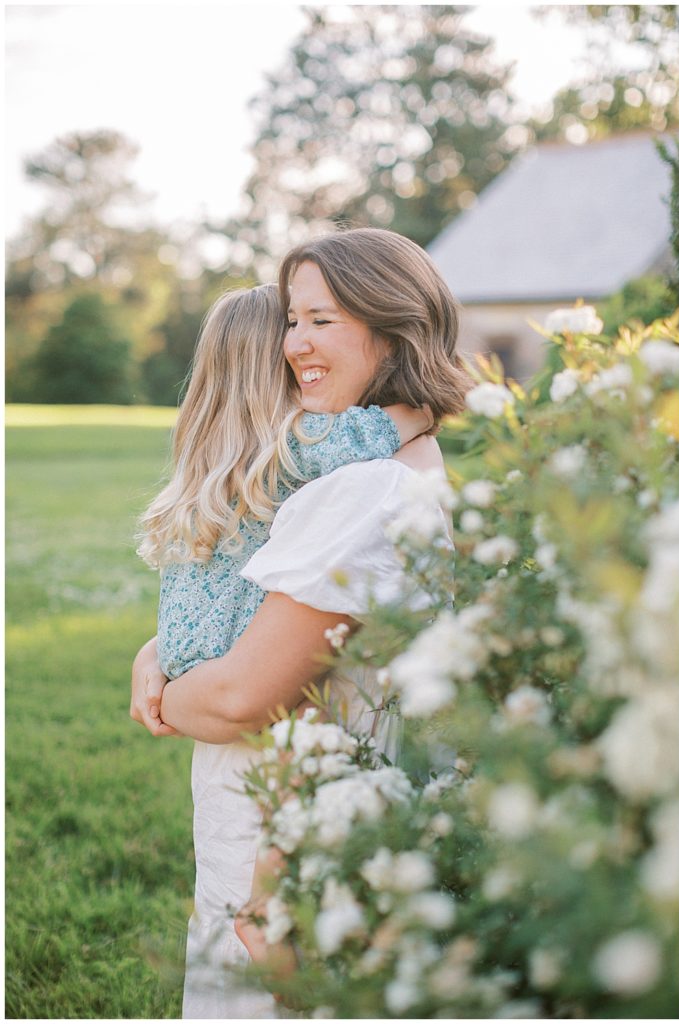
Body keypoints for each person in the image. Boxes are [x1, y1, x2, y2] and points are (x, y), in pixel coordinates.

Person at [131, 227, 472, 1018]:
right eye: (294, 321)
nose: (295, 345)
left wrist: (162, 697)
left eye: (322, 319)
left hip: (281, 811)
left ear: (392, 324)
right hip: (290, 792)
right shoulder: (387, 467)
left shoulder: (360, 489)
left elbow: (243, 700)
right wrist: (164, 652)